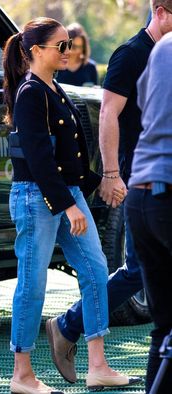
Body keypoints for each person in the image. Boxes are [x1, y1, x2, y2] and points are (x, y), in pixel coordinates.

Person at [2, 16, 138, 394]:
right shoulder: (31, 92)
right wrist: (68, 205)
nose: (70, 51)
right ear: (36, 51)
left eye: (71, 45)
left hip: (65, 194)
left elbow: (70, 159)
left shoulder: (54, 89)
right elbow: (40, 158)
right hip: (37, 197)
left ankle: (98, 365)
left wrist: (104, 184)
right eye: (61, 45)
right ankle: (22, 374)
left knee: (95, 271)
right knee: (33, 283)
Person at [46, 0, 172, 385]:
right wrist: (112, 173)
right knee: (136, 270)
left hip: (148, 179)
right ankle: (68, 323)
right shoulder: (133, 54)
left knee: (137, 272)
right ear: (160, 10)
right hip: (142, 179)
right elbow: (107, 112)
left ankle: (69, 325)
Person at [125, 32, 172, 394]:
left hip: (140, 196)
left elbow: (143, 104)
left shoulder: (164, 47)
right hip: (167, 194)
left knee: (165, 325)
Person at [56, 22, 98, 86]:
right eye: (73, 47)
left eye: (80, 47)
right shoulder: (55, 66)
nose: (77, 51)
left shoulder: (90, 67)